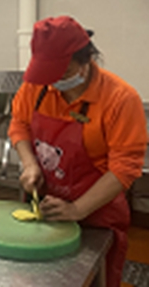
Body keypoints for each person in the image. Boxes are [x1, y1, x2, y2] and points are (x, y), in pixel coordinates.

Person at [9, 16, 147, 287]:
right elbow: (19, 124)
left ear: (86, 60)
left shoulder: (120, 99)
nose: (53, 82)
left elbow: (125, 167)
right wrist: (30, 164)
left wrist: (77, 209)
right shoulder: (37, 86)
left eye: (62, 73)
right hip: (46, 206)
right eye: (48, 74)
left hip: (96, 214)